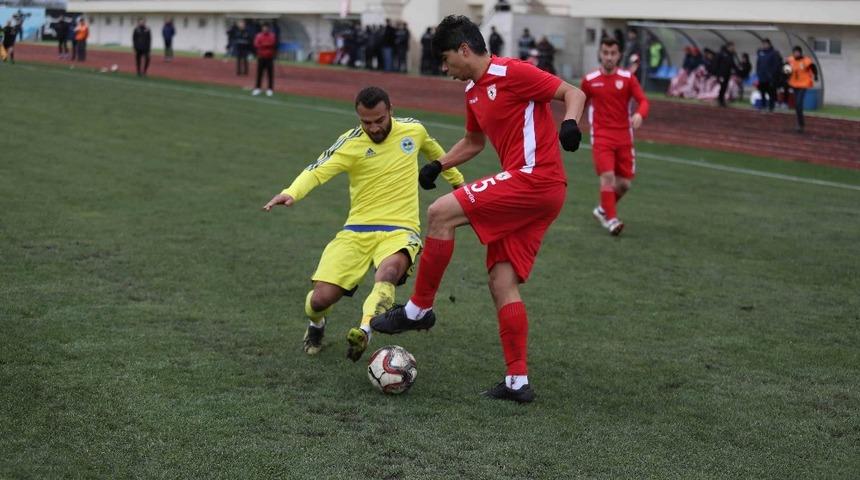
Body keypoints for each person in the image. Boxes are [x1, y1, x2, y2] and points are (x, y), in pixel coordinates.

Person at [370, 15, 586, 403]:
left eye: (446, 59)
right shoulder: (472, 91)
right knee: (502, 283)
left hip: (535, 179)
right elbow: (474, 142)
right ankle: (517, 382)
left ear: (465, 50)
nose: (444, 68)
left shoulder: (513, 72)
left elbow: (574, 93)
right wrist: (440, 164)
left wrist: (569, 124)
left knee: (439, 213)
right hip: (536, 189)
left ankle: (419, 310)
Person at [262, 86, 465, 362]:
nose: (373, 127)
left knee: (390, 271)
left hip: (400, 230)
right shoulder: (350, 142)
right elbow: (318, 170)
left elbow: (440, 157)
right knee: (319, 300)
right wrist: (291, 192)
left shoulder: (413, 131)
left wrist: (460, 185)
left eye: (379, 120)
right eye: (366, 122)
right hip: (356, 231)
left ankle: (365, 330)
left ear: (390, 111)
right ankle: (316, 324)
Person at [582, 37, 649, 236]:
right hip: (601, 136)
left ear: (619, 55)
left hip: (624, 138)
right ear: (600, 54)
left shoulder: (628, 79)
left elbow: (643, 101)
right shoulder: (590, 80)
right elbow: (580, 102)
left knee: (624, 184)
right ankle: (611, 220)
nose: (609, 57)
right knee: (608, 177)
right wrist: (572, 123)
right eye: (605, 53)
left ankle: (603, 209)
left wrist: (639, 114)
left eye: (613, 53)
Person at [786, 46, 818, 133]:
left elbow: (813, 67)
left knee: (799, 103)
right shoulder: (791, 60)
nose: (796, 54)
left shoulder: (805, 60)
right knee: (797, 105)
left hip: (804, 84)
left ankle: (800, 125)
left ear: (800, 53)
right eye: (794, 52)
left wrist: (816, 75)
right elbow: (786, 69)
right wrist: (785, 74)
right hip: (794, 84)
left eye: (797, 52)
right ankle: (800, 124)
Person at [756, 38, 781, 112]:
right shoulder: (761, 53)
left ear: (769, 44)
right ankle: (763, 106)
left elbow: (776, 65)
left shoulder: (773, 53)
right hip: (762, 77)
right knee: (762, 92)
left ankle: (771, 107)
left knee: (771, 93)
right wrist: (758, 72)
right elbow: (758, 63)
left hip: (770, 78)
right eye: (763, 44)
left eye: (765, 44)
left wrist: (772, 74)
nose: (764, 45)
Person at [252, 23, 277, 96]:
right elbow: (256, 44)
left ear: (268, 28)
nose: (265, 29)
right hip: (261, 57)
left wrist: (263, 45)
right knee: (259, 74)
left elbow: (272, 43)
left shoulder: (272, 35)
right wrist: (265, 45)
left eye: (266, 27)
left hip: (269, 57)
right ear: (262, 28)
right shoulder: (259, 35)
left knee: (270, 74)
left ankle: (270, 89)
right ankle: (257, 88)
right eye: (264, 27)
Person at [715, 42, 738, 107]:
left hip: (727, 74)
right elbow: (717, 63)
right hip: (721, 74)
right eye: (732, 47)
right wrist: (717, 74)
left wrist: (737, 70)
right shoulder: (721, 53)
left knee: (724, 87)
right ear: (728, 47)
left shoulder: (731, 55)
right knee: (722, 87)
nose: (733, 48)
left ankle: (721, 100)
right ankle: (720, 100)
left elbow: (733, 64)